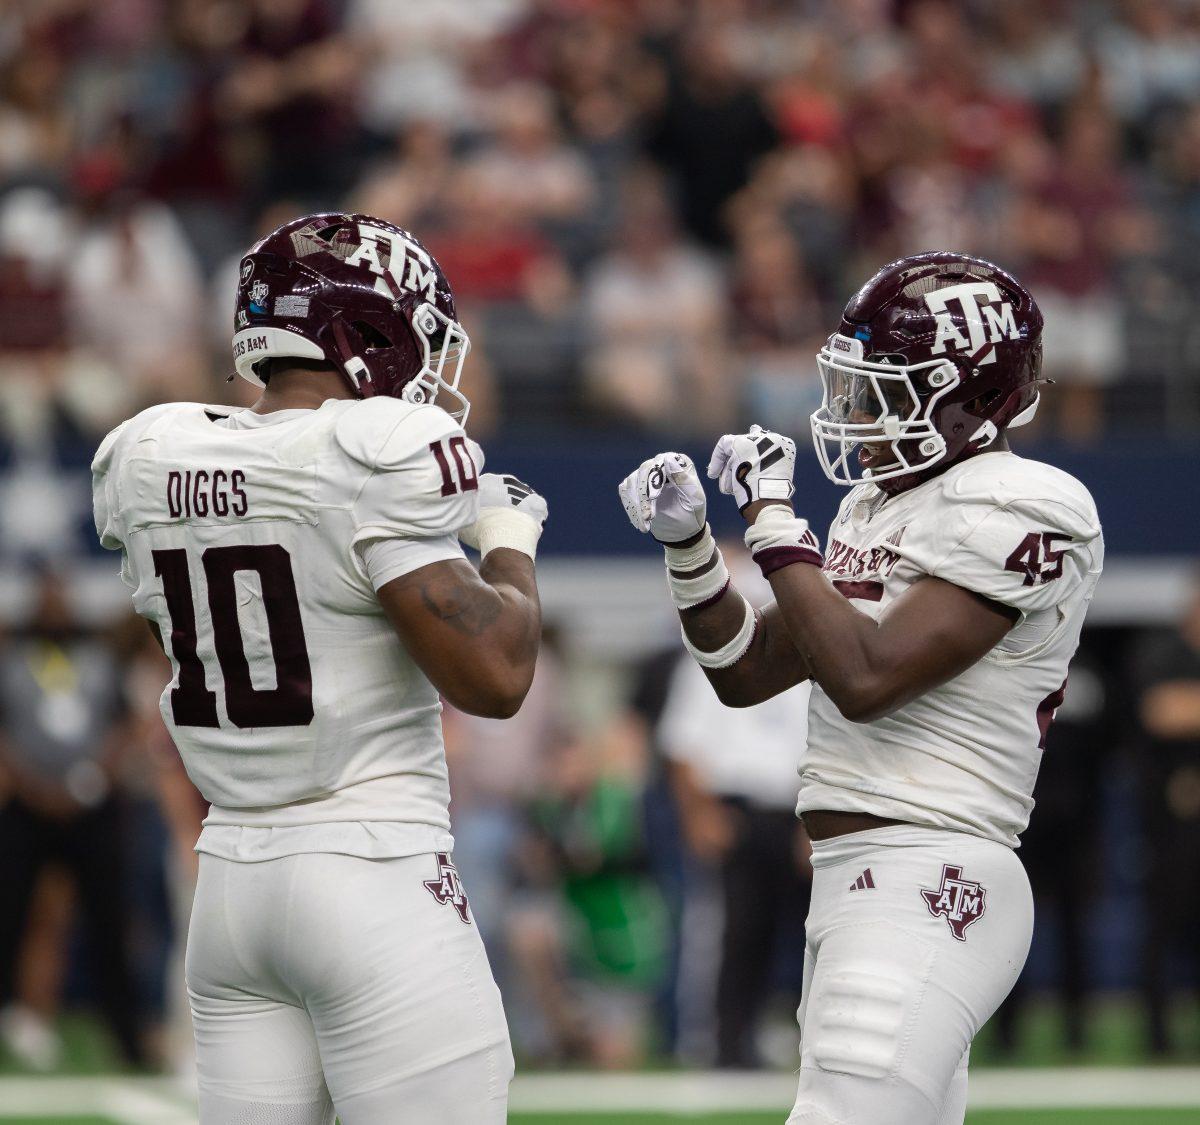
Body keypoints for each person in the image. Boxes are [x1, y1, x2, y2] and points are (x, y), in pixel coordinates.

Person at [619, 251, 1104, 1124]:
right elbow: (744, 671)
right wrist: (690, 548)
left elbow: (866, 676)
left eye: (888, 391)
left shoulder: (1028, 500)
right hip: (859, 875)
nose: (859, 416)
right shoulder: (872, 504)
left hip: (934, 866)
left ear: (972, 401)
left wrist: (772, 521)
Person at [92, 212, 548, 1125]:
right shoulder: (370, 452)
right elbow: (496, 678)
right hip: (370, 870)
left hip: (231, 888)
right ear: (368, 337)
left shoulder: (152, 454)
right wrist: (508, 544)